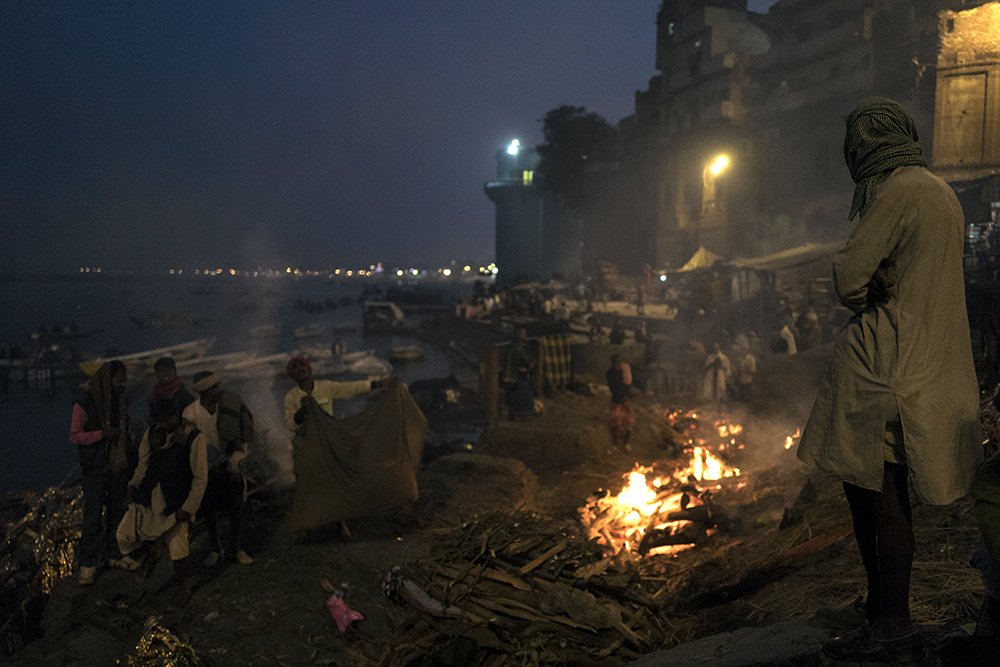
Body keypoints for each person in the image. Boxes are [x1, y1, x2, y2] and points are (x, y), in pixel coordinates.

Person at [797, 97, 982, 662]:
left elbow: (848, 276)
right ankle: (883, 612)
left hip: (885, 370)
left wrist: (868, 284)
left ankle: (892, 624)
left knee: (878, 498)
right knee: (884, 494)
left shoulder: (897, 190)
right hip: (924, 367)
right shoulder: (940, 191)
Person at [117, 396, 208, 609]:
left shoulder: (194, 438)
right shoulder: (151, 435)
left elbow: (200, 477)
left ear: (176, 416)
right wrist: (132, 487)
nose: (161, 424)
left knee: (178, 544)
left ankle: (183, 588)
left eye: (165, 419)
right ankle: (152, 555)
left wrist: (189, 507)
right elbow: (143, 466)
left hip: (177, 500)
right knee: (126, 534)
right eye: (157, 420)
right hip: (151, 497)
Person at [283, 355, 389, 538]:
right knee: (304, 484)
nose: (301, 369)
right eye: (296, 368)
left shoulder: (326, 387)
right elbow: (290, 424)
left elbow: (349, 388)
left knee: (333, 482)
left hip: (326, 442)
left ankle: (340, 523)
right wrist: (301, 413)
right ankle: (305, 525)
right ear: (293, 376)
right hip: (305, 445)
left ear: (309, 370)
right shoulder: (291, 397)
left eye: (303, 366)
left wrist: (376, 384)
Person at [69, 360, 132, 586]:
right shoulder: (84, 403)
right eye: (119, 381)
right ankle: (88, 563)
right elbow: (75, 436)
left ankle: (114, 555)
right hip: (95, 469)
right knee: (93, 516)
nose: (123, 385)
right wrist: (102, 434)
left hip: (117, 467)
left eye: (125, 381)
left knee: (118, 510)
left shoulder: (122, 402)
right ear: (107, 381)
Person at [183, 371, 255, 567]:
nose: (219, 390)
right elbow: (190, 444)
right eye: (215, 388)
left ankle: (236, 548)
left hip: (229, 462)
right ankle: (216, 548)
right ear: (205, 392)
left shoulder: (229, 405)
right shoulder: (191, 413)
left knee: (235, 508)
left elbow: (244, 430)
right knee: (208, 510)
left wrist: (237, 456)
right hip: (205, 467)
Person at [501, 328, 536, 421]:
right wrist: (531, 364)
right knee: (524, 394)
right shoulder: (520, 347)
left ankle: (514, 414)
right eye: (524, 334)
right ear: (520, 336)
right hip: (519, 376)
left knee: (513, 396)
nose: (526, 336)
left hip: (511, 376)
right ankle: (523, 414)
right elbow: (524, 360)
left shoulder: (512, 346)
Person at [606, 354, 633, 451]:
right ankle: (615, 444)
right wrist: (622, 398)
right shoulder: (610, 373)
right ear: (613, 362)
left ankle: (625, 444)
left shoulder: (625, 371)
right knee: (614, 423)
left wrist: (643, 389)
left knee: (628, 423)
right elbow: (613, 388)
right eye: (616, 361)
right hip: (617, 400)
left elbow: (633, 381)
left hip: (627, 400)